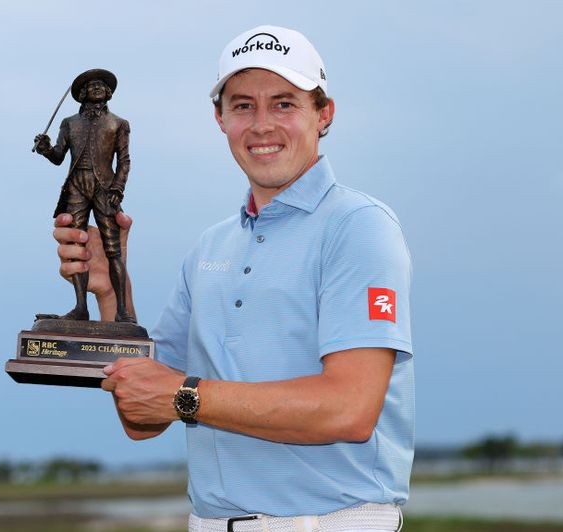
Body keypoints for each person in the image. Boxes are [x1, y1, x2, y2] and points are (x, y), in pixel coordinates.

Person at [54, 25, 414, 531]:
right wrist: (113, 296)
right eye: (243, 105)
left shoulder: (359, 226)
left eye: (284, 103)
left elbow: (349, 410)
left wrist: (186, 395)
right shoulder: (209, 247)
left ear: (323, 113)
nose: (262, 125)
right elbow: (142, 418)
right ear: (219, 118)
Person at [35, 68, 134, 323]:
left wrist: (117, 189)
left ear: (109, 92)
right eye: (92, 86)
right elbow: (59, 156)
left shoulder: (118, 124)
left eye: (102, 85)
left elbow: (124, 161)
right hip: (77, 185)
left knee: (113, 251)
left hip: (105, 188)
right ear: (82, 94)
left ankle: (122, 312)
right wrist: (46, 149)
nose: (98, 88)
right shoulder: (69, 123)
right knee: (76, 248)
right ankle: (81, 307)